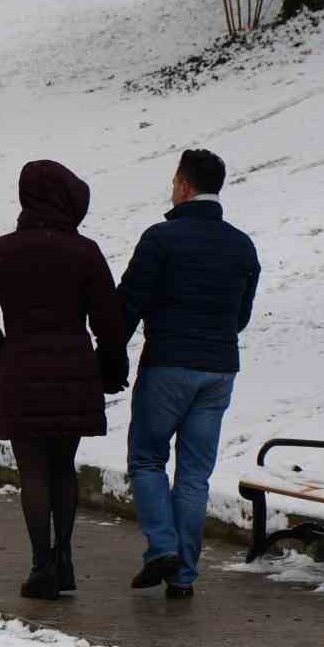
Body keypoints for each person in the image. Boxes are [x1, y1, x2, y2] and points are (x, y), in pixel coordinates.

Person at [0, 160, 128, 600]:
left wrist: (2, 354)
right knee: (63, 468)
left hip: (21, 374)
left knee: (33, 470)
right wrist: (110, 370)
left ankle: (41, 565)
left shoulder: (1, 250)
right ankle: (65, 556)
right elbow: (109, 321)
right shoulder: (85, 252)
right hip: (75, 373)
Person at [118, 149, 260, 599]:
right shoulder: (242, 245)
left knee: (147, 459)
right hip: (219, 371)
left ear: (183, 186)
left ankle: (163, 549)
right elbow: (241, 316)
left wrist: (110, 351)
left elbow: (129, 302)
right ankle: (183, 576)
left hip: (167, 365)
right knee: (195, 475)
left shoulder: (161, 238)